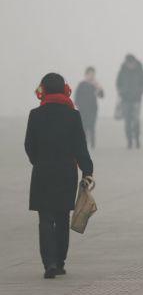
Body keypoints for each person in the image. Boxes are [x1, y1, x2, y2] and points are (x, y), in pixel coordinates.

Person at [25, 73, 94, 279]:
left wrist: (38, 162)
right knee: (62, 217)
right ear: (65, 90)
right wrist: (87, 170)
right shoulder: (72, 115)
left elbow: (29, 146)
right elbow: (80, 147)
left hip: (42, 172)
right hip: (66, 173)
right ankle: (60, 261)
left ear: (43, 90)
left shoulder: (35, 114)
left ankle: (49, 263)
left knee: (45, 218)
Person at [116, 54, 143, 149]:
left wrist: (140, 92)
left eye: (131, 63)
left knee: (136, 120)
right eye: (128, 63)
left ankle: (137, 139)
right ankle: (129, 141)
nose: (129, 65)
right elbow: (118, 83)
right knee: (127, 121)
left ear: (134, 62)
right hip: (125, 99)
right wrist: (121, 92)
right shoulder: (122, 70)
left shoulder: (140, 70)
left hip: (136, 99)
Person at [74, 66, 104, 148]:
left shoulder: (95, 85)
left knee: (92, 127)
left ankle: (93, 144)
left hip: (93, 109)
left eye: (93, 74)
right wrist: (77, 106)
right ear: (86, 75)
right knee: (84, 127)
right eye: (90, 74)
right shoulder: (81, 84)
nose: (92, 76)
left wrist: (99, 88)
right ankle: (84, 143)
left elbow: (101, 95)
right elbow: (77, 97)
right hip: (82, 109)